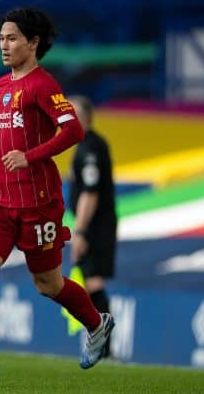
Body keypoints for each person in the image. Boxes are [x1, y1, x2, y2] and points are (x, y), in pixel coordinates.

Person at [0, 8, 114, 382]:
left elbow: (74, 131)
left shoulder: (44, 86)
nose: (4, 45)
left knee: (49, 284)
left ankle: (97, 323)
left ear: (33, 43)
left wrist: (30, 156)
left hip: (39, 203)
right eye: (1, 38)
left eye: (12, 38)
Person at [68, 95, 117, 358]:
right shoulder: (86, 145)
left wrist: (81, 231)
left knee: (93, 281)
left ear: (83, 117)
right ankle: (101, 345)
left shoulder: (89, 148)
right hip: (96, 224)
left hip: (95, 226)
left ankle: (104, 348)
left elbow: (90, 192)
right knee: (89, 281)